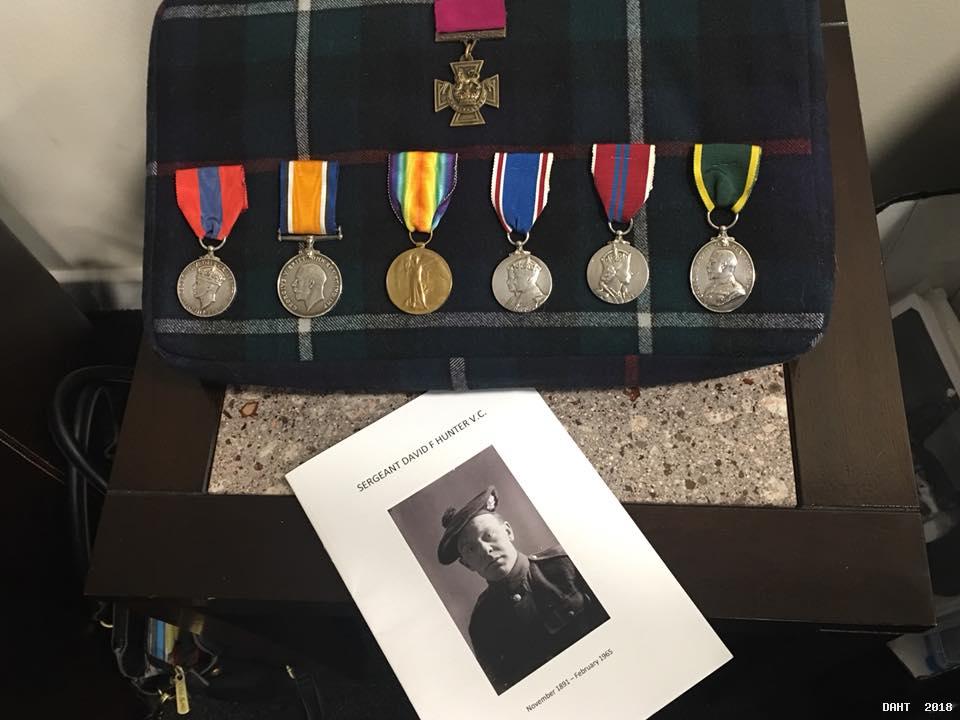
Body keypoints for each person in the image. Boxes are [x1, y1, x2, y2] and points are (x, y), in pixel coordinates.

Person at [437, 486, 608, 694]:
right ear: (467, 564)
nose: (485, 549)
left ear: (508, 531)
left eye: (489, 535)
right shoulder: (482, 624)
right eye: (471, 549)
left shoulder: (566, 564)